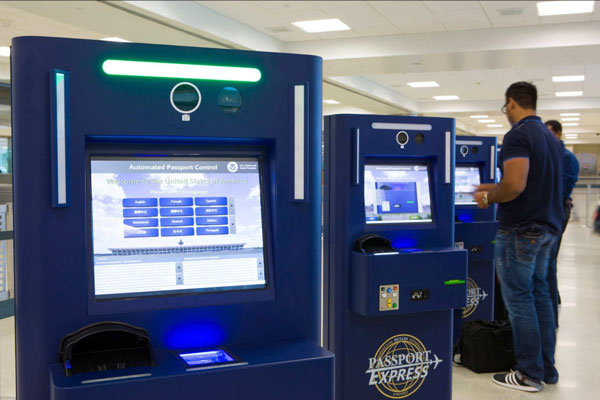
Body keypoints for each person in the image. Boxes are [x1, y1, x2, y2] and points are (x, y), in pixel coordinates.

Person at [473, 82, 563, 392]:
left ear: (512, 103)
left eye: (505, 108)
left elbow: (514, 185)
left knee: (520, 303)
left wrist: (488, 198)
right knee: (541, 299)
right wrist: (493, 188)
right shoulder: (551, 140)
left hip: (521, 231)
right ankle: (546, 369)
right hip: (547, 230)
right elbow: (533, 182)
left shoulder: (518, 135)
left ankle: (527, 374)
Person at [544, 119, 579, 326]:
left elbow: (563, 189)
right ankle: (553, 296)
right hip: (547, 212)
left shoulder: (567, 158)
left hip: (556, 213)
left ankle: (550, 306)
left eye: (549, 133)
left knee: (548, 259)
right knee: (546, 261)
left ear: (557, 134)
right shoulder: (549, 156)